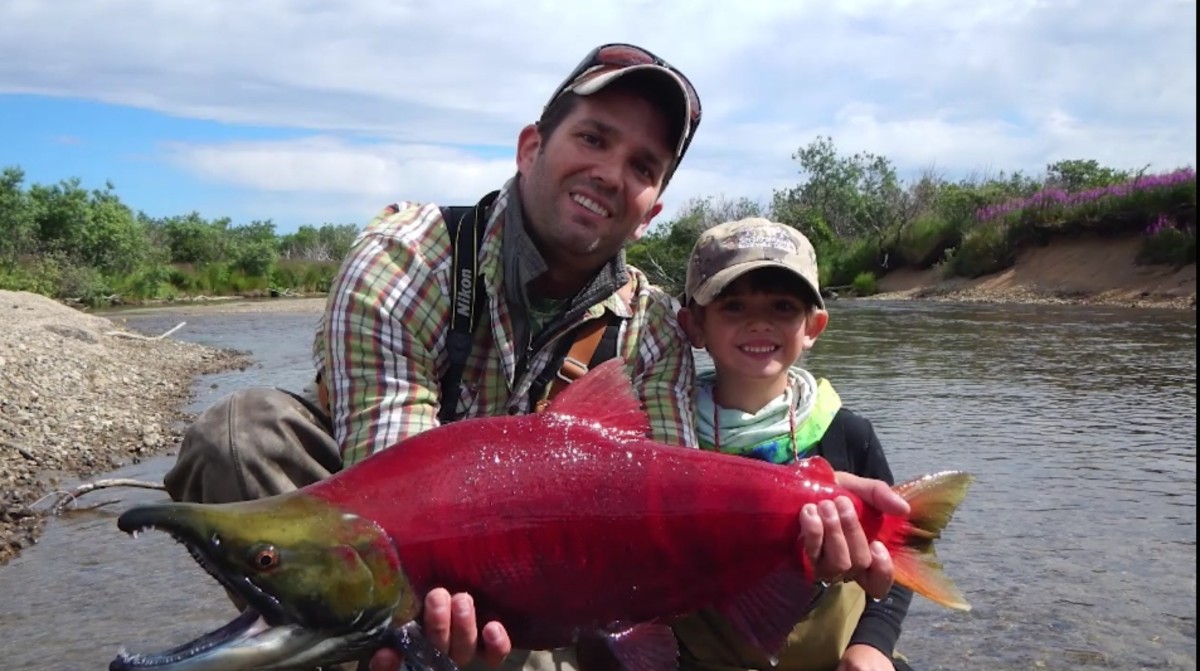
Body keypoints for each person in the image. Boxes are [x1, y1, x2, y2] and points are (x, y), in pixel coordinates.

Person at [162, 44, 908, 671]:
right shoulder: (410, 257)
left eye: (643, 165)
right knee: (244, 431)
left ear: (652, 212)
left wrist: (803, 504)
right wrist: (425, 608)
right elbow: (397, 483)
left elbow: (671, 512)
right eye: (593, 138)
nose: (612, 172)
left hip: (551, 595)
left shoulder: (653, 328)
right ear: (531, 147)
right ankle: (344, 641)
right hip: (419, 549)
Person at [672, 217, 915, 671]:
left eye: (783, 307)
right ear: (694, 325)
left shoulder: (847, 433)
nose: (759, 323)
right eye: (734, 307)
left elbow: (902, 551)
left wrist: (874, 645)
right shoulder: (669, 436)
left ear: (813, 326)